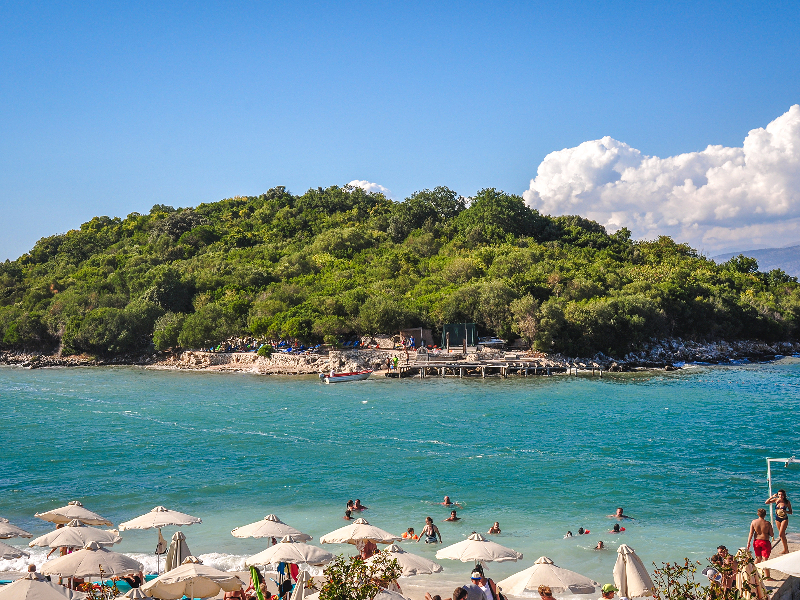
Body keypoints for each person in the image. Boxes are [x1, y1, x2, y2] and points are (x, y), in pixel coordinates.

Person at [747, 507, 774, 578]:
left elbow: (751, 533)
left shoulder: (754, 522)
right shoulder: (767, 523)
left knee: (758, 558)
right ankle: (767, 577)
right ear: (765, 515)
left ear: (758, 514)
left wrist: (748, 542)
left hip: (756, 542)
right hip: (765, 542)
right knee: (765, 559)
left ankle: (750, 572)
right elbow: (772, 534)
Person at [766, 489, 792, 554]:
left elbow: (791, 512)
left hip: (784, 519)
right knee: (782, 535)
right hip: (777, 519)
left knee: (781, 534)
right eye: (779, 494)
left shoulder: (787, 502)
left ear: (784, 495)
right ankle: (786, 549)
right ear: (778, 495)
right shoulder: (776, 500)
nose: (781, 496)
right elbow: (766, 502)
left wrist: (785, 511)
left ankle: (786, 549)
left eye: (782, 495)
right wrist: (772, 496)